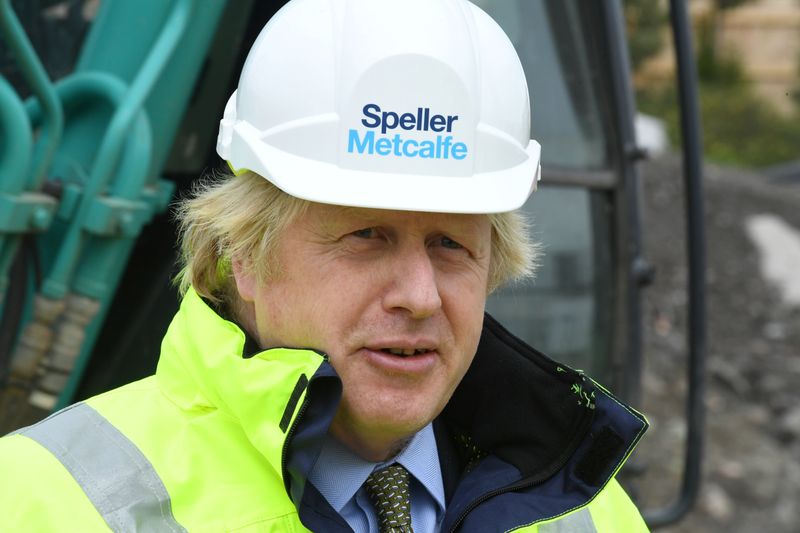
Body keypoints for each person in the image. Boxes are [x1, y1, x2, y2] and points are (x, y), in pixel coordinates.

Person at [0, 0, 649, 531]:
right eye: (366, 235)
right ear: (243, 256)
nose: (421, 296)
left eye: (451, 245)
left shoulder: (592, 511)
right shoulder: (43, 502)